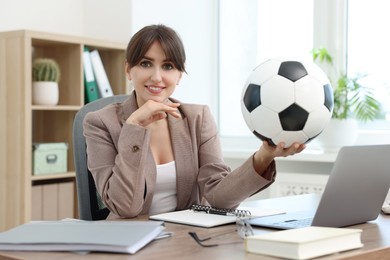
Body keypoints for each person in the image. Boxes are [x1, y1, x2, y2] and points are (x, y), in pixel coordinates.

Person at [83, 24, 306, 219]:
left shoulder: (198, 119)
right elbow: (124, 207)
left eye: (168, 66)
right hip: (129, 243)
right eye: (145, 63)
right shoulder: (99, 123)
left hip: (186, 239)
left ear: (179, 75)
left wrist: (264, 156)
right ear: (128, 70)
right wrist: (133, 129)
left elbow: (219, 198)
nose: (157, 77)